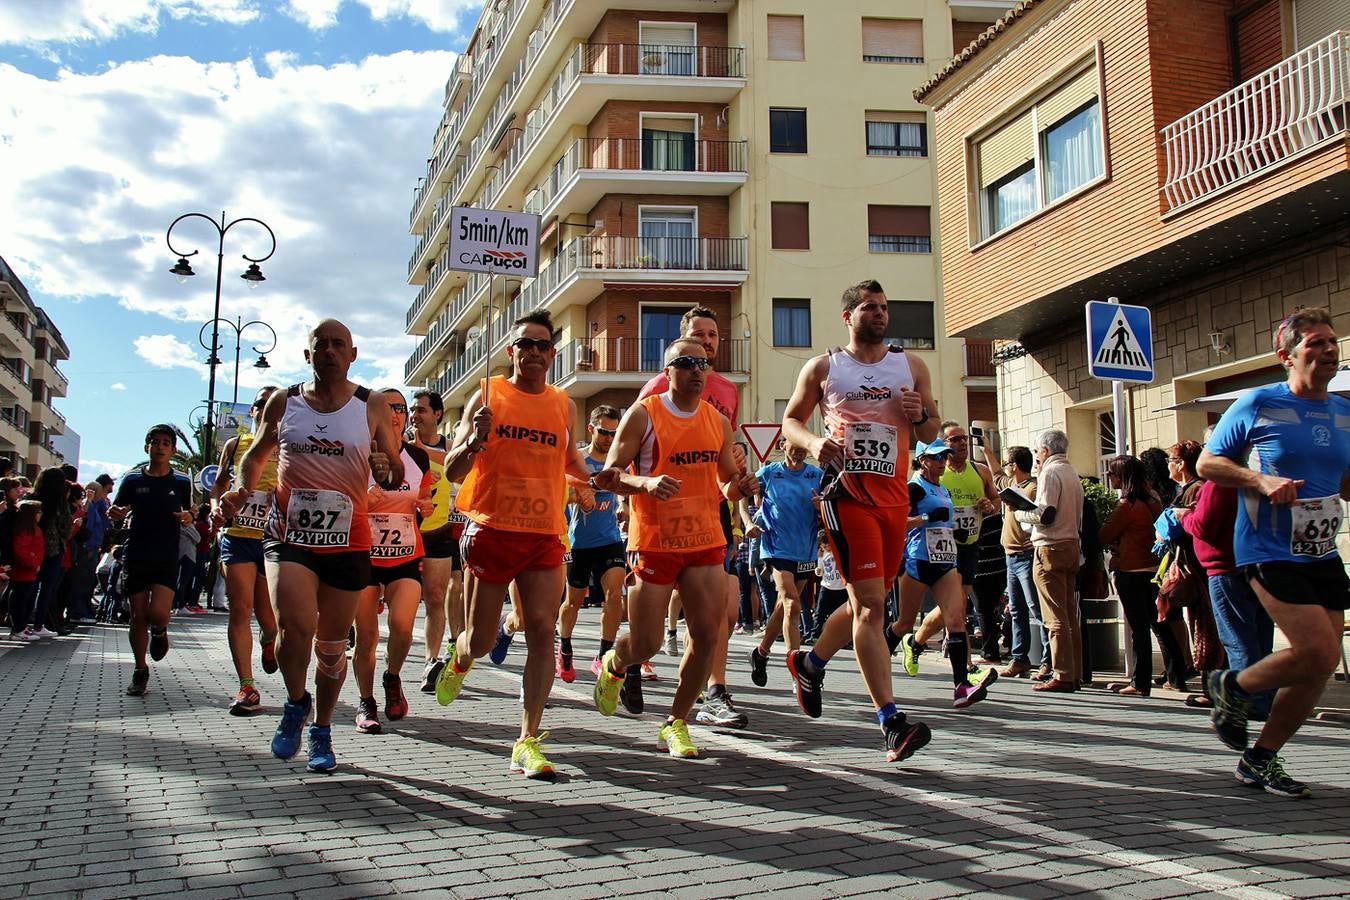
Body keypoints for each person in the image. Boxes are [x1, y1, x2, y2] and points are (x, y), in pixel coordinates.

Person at [220, 318, 404, 773]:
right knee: (293, 631)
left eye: (337, 344)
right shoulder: (285, 402)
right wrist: (241, 488)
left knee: (331, 646)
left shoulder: (372, 404)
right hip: (290, 537)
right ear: (307, 355)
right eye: (319, 344)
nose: (328, 351)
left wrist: (385, 469)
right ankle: (294, 703)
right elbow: (256, 455)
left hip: (348, 539)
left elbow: (396, 471)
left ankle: (321, 728)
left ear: (352, 354)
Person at [780, 278, 941, 762]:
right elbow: (790, 420)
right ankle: (891, 722)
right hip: (847, 498)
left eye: (884, 308)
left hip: (894, 501)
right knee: (872, 607)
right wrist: (813, 444)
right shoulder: (826, 366)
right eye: (870, 307)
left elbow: (933, 429)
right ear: (848, 315)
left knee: (866, 601)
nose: (879, 314)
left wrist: (921, 414)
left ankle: (810, 662)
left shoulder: (911, 366)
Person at [433, 308, 593, 780]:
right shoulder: (488, 395)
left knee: (542, 628)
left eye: (545, 345)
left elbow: (570, 461)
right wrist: (474, 441)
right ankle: (459, 659)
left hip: (545, 532)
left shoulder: (563, 404)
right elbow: (454, 470)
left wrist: (589, 487)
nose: (537, 352)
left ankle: (527, 738)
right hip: (493, 527)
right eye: (527, 344)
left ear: (552, 353)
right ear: (511, 351)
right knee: (481, 641)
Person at [1198, 307, 1349, 798]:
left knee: (1319, 665)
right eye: (1316, 343)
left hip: (1320, 549)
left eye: (1332, 341)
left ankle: (1259, 757)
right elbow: (1207, 462)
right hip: (1267, 546)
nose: (1328, 350)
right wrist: (1258, 478)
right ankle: (1233, 686)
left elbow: (1343, 484)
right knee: (1318, 651)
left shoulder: (1344, 412)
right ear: (1286, 356)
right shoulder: (1259, 403)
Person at [592, 338, 757, 758]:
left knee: (706, 633)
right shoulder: (644, 414)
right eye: (686, 362)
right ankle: (616, 663)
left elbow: (725, 482)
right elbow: (608, 476)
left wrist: (742, 486)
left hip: (705, 541)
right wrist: (644, 482)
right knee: (645, 643)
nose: (697, 370)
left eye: (703, 363)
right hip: (655, 542)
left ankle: (677, 722)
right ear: (667, 371)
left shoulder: (717, 421)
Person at [636, 306, 744, 719]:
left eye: (713, 335)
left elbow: (725, 449)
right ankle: (628, 659)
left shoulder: (728, 392)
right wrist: (642, 491)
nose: (708, 342)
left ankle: (713, 691)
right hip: (660, 517)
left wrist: (734, 463)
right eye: (699, 335)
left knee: (718, 613)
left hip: (712, 510)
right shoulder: (654, 390)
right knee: (650, 629)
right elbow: (636, 453)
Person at [886, 441, 999, 708]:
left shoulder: (943, 487)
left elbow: (943, 522)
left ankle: (961, 685)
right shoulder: (914, 487)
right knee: (904, 624)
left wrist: (953, 532)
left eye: (944, 456)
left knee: (956, 618)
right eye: (936, 457)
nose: (942, 461)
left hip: (945, 560)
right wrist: (925, 518)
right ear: (923, 459)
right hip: (918, 560)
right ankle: (876, 660)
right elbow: (895, 523)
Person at [352, 388, 434, 735]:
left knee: (402, 627)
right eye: (386, 409)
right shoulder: (358, 454)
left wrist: (424, 507)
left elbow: (424, 500)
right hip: (364, 555)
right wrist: (364, 500)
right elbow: (346, 504)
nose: (394, 414)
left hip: (405, 554)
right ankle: (365, 701)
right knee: (367, 636)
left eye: (400, 408)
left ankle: (393, 676)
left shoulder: (419, 458)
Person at [209, 386, 282, 716]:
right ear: (252, 412)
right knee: (240, 608)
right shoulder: (235, 444)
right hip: (237, 535)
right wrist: (215, 507)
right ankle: (246, 685)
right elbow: (219, 485)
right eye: (259, 404)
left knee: (269, 615)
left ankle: (269, 639)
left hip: (273, 539)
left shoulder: (288, 448)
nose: (264, 409)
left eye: (271, 404)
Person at [109, 428, 194, 696]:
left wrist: (188, 517)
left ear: (173, 450)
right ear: (146, 447)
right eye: (155, 442)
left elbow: (191, 510)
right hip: (137, 552)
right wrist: (117, 512)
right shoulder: (132, 479)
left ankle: (160, 631)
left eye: (165, 443)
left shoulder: (181, 481)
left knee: (158, 613)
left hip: (167, 553)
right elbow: (118, 510)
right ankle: (140, 668)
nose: (159, 447)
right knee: (138, 614)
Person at [558, 405, 627, 683]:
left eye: (614, 433)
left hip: (610, 540)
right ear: (591, 428)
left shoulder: (616, 461)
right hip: (579, 543)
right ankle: (564, 647)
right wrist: (578, 497)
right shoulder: (578, 461)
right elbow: (559, 494)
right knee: (573, 602)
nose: (609, 438)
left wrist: (624, 505)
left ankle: (603, 654)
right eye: (604, 432)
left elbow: (624, 489)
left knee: (614, 596)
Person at [745, 441, 822, 687]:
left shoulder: (816, 474)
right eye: (794, 445)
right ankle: (797, 672)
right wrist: (747, 523)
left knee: (784, 607)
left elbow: (831, 507)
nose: (799, 450)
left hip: (806, 550)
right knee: (791, 602)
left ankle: (761, 652)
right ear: (782, 445)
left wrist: (822, 507)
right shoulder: (769, 472)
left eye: (803, 447)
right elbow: (741, 493)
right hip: (776, 547)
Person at [1015, 429, 1084, 693]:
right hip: (1070, 545)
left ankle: (1063, 673)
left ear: (1044, 451)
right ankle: (1074, 671)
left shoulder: (1050, 472)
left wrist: (1021, 514)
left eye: (1036, 452)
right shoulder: (1071, 472)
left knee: (1054, 615)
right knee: (1068, 614)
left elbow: (1045, 513)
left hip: (1051, 546)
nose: (1036, 457)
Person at [1099, 455, 1173, 697]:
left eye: (1113, 473)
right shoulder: (1153, 500)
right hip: (1152, 568)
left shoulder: (1127, 506)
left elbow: (1105, 534)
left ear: (1123, 476)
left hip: (1130, 570)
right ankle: (1177, 673)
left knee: (1138, 628)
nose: (1110, 477)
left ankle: (1140, 682)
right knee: (1157, 624)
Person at [408, 389, 463, 694]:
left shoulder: (450, 448)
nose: (415, 415)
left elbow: (464, 481)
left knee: (437, 596)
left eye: (421, 410)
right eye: (413, 410)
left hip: (443, 530)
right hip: (405, 530)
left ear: (438, 414)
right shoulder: (401, 447)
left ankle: (432, 661)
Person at [9, 500, 45, 641]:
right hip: (24, 570)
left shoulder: (33, 528)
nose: (40, 514)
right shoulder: (25, 530)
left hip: (31, 571)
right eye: (38, 512)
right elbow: (21, 550)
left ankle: (21, 627)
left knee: (26, 600)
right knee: (20, 601)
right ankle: (18, 629)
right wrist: (33, 562)